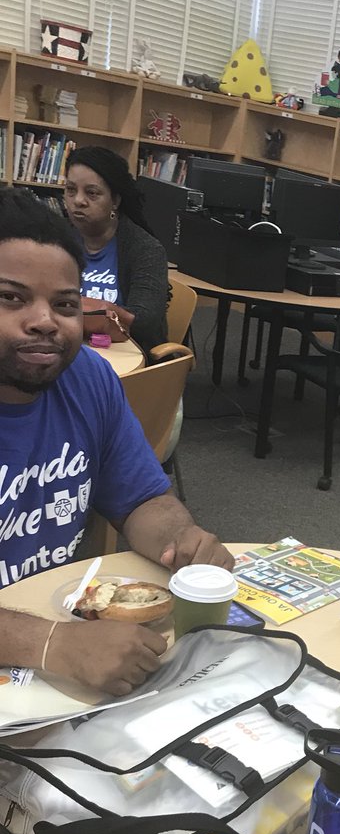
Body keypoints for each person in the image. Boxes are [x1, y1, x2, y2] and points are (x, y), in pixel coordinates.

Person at [0, 189, 231, 695]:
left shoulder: (88, 378)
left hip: (48, 648)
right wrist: (51, 645)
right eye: (11, 297)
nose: (45, 320)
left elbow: (141, 498)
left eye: (65, 304)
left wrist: (180, 541)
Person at [63, 145, 168, 351]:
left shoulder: (145, 249)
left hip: (126, 353)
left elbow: (144, 322)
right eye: (70, 190)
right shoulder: (58, 240)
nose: (78, 201)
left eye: (92, 193)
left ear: (115, 201)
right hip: (68, 349)